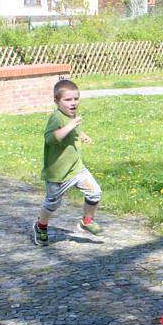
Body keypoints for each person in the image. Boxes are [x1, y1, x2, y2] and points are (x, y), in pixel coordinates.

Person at [32, 79, 103, 246]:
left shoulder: (71, 117)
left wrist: (81, 133)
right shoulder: (56, 118)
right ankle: (40, 226)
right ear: (57, 101)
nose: (73, 103)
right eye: (68, 100)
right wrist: (70, 126)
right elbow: (50, 139)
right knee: (52, 204)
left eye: (76, 99)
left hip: (77, 169)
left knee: (95, 193)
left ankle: (87, 220)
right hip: (58, 174)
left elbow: (74, 128)